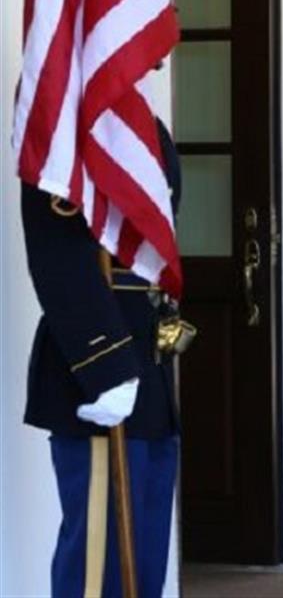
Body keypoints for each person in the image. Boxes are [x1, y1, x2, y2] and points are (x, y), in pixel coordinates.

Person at [21, 120, 185, 597]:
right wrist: (104, 366)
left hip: (147, 359)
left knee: (144, 557)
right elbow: (57, 252)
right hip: (100, 363)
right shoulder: (67, 121)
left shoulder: (144, 123)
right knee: (99, 566)